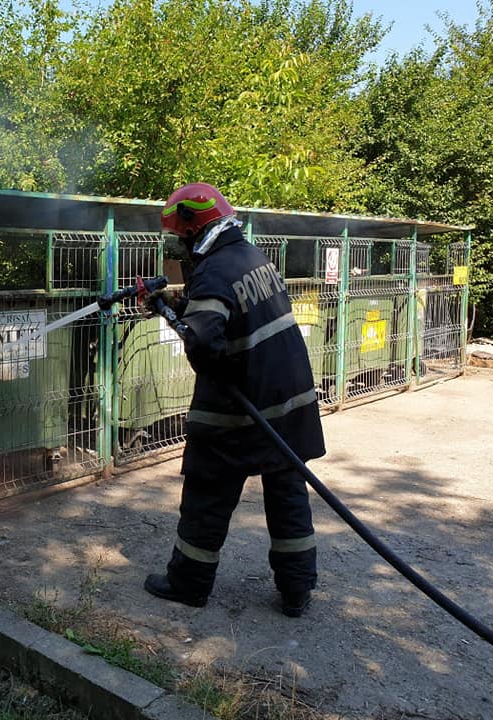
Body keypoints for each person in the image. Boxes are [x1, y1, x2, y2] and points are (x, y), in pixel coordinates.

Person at [143, 182, 325, 617]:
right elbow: (227, 315)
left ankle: (188, 583)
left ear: (194, 228)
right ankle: (297, 590)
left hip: (242, 407)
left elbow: (204, 346)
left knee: (207, 489)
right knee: (287, 493)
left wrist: (167, 313)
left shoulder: (213, 271)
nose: (178, 248)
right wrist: (176, 305)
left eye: (178, 238)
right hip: (290, 400)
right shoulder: (251, 257)